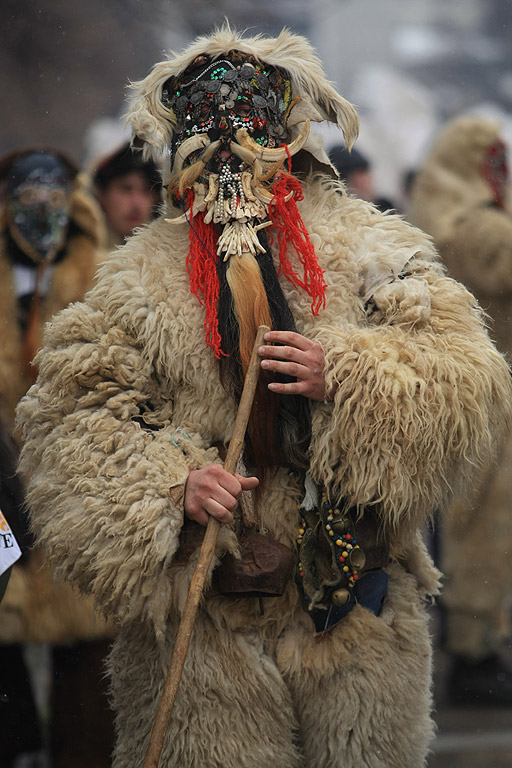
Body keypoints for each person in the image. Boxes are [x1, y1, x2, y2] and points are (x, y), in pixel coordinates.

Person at [16, 27, 512, 768]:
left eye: (247, 144)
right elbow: (73, 417)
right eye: (208, 148)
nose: (228, 167)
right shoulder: (136, 279)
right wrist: (171, 484)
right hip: (208, 627)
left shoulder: (370, 249)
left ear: (289, 143)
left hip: (355, 615)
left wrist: (342, 375)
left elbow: (465, 379)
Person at [0, 148, 114, 767]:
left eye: (52, 192)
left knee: (90, 658)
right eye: (25, 192)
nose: (39, 205)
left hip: (79, 491)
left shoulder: (103, 280)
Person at [408, 114, 512, 706]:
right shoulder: (477, 229)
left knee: (467, 524)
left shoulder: (438, 222)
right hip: (490, 391)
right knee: (482, 526)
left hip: (463, 390)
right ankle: (474, 651)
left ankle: (475, 643)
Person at [91, 141, 162, 255]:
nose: (137, 203)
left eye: (146, 191)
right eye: (126, 189)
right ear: (101, 193)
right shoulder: (73, 261)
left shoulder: (169, 260)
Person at [328, 143, 396, 211]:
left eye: (364, 173)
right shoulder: (331, 216)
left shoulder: (386, 209)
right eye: (358, 175)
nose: (366, 181)